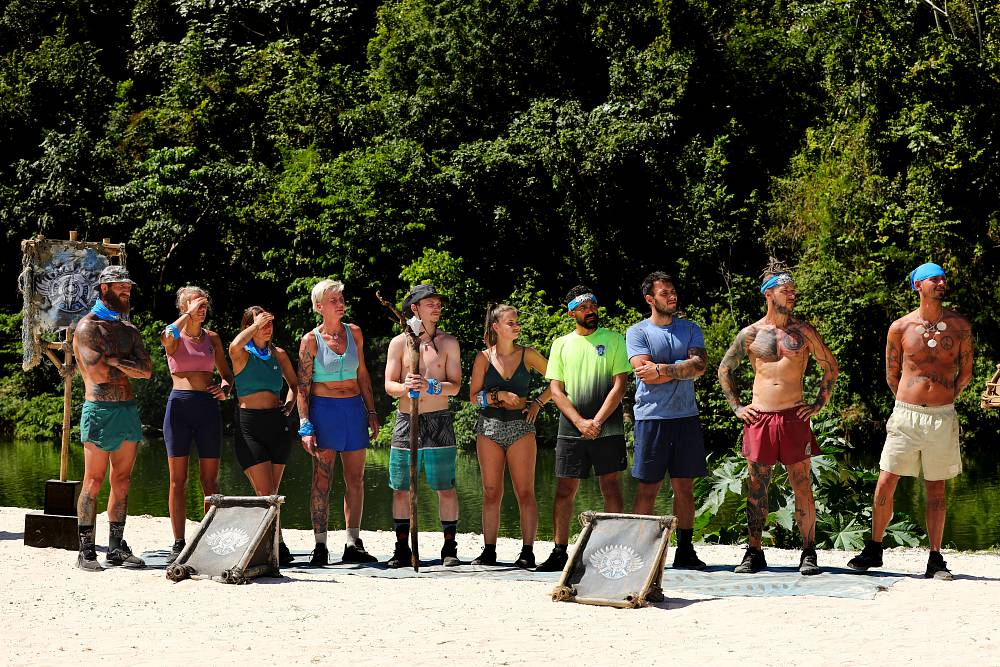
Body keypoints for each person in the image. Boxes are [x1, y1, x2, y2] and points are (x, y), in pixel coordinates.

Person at [847, 262, 973, 580]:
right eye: (935, 279)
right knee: (886, 480)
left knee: (936, 488)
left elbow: (965, 372)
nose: (942, 283)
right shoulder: (900, 327)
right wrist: (910, 400)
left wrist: (944, 398)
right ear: (918, 285)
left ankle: (935, 558)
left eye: (943, 278)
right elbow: (892, 374)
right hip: (906, 414)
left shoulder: (959, 326)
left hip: (941, 416)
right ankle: (874, 547)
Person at [717, 260, 839, 575]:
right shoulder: (750, 333)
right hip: (759, 418)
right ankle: (754, 552)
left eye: (794, 290)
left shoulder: (804, 332)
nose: (792, 294)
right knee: (757, 487)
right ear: (769, 294)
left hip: (793, 417)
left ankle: (808, 552)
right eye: (786, 290)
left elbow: (830, 366)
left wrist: (818, 403)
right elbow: (725, 369)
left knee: (802, 484)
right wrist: (737, 407)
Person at [535, 286, 632, 573]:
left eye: (593, 305)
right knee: (565, 489)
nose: (590, 311)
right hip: (571, 428)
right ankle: (559, 551)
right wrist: (579, 422)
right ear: (571, 313)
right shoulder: (560, 344)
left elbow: (620, 385)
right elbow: (556, 390)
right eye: (583, 307)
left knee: (610, 486)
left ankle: (615, 549)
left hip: (607, 426)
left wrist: (597, 421)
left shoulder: (614, 339)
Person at [73, 265, 152, 571]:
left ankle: (116, 548)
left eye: (128, 287)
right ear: (104, 288)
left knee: (122, 480)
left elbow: (147, 371)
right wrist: (127, 364)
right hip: (99, 410)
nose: (127, 291)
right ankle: (86, 550)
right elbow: (100, 375)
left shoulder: (129, 329)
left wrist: (116, 360)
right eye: (121, 286)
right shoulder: (87, 328)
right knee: (93, 481)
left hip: (126, 410)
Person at [626, 272, 708, 569]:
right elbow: (643, 372)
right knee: (648, 487)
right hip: (652, 417)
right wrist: (680, 368)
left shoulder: (691, 328)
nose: (672, 296)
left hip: (686, 416)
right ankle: (638, 552)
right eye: (665, 293)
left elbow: (699, 367)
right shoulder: (637, 332)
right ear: (650, 299)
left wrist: (662, 368)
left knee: (684, 487)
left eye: (673, 291)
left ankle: (685, 550)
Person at [296, 280, 381, 566]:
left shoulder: (354, 332)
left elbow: (363, 375)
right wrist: (305, 424)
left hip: (353, 410)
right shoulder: (310, 340)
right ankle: (320, 545)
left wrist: (371, 411)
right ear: (319, 306)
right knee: (322, 479)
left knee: (356, 479)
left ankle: (352, 542)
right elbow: (302, 387)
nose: (340, 303)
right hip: (325, 411)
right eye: (334, 300)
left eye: (341, 298)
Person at [383, 284, 462, 567]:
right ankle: (402, 548)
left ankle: (449, 547)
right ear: (415, 308)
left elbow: (455, 386)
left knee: (445, 487)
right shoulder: (399, 343)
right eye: (430, 303)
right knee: (401, 487)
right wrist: (405, 387)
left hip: (439, 419)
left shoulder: (448, 342)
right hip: (407, 419)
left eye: (438, 302)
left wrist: (432, 386)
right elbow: (389, 385)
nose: (437, 307)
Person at [468, 303, 552, 568]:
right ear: (496, 327)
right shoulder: (483, 358)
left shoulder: (528, 354)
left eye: (517, 322)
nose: (517, 326)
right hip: (489, 427)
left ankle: (527, 552)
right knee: (491, 492)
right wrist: (499, 395)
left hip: (520, 427)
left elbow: (560, 379)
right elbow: (473, 398)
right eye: (511, 323)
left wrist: (538, 403)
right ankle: (489, 551)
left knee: (525, 492)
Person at [160, 286, 234, 564]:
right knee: (178, 480)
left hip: (207, 408)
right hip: (179, 407)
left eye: (204, 304)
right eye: (196, 304)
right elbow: (166, 335)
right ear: (184, 307)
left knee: (210, 480)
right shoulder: (174, 336)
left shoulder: (212, 338)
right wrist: (187, 315)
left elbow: (227, 376)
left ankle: (209, 538)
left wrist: (224, 388)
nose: (202, 308)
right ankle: (178, 542)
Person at [229, 306, 298, 565]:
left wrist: (290, 404)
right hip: (250, 425)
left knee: (273, 495)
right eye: (261, 324)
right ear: (250, 326)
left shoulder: (278, 354)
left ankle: (274, 543)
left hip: (276, 424)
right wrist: (255, 326)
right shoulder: (241, 353)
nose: (267, 327)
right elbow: (234, 345)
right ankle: (274, 543)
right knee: (265, 492)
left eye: (270, 323)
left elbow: (295, 385)